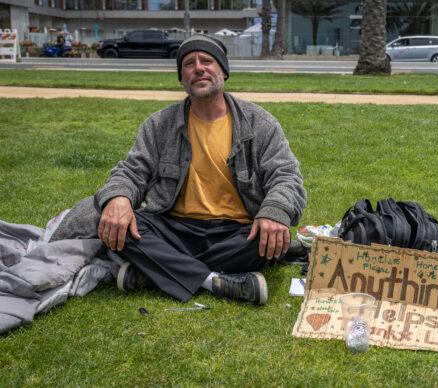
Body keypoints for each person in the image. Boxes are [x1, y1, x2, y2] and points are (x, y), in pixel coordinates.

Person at [93, 35, 306, 305]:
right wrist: (118, 198)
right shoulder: (159, 125)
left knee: (270, 236)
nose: (198, 68)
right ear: (182, 78)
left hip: (236, 233)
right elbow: (131, 171)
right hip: (174, 229)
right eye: (189, 64)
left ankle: (155, 272)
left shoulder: (260, 123)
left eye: (207, 61)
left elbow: (286, 176)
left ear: (224, 71)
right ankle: (216, 282)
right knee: (125, 227)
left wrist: (275, 212)